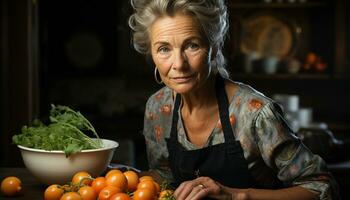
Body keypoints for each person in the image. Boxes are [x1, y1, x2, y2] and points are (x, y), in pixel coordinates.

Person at [128, 0, 339, 199]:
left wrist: (235, 196)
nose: (179, 64)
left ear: (214, 47)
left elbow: (322, 187)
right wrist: (117, 175)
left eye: (192, 45)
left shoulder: (255, 114)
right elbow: (166, 179)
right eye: (164, 49)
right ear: (152, 54)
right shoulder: (157, 107)